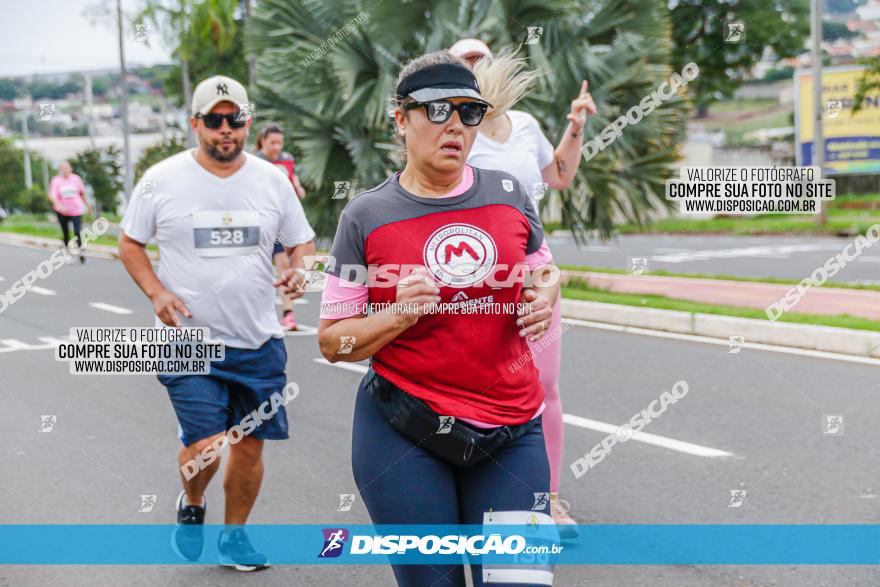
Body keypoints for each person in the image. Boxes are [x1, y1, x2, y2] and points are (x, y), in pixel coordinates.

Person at [318, 51, 560, 586]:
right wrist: (398, 314)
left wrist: (544, 292)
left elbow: (544, 268)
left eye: (469, 112)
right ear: (400, 119)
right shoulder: (366, 216)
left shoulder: (507, 194)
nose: (454, 124)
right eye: (436, 110)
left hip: (512, 432)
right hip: (405, 431)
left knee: (521, 583)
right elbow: (333, 342)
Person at [118, 75, 316, 572]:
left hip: (258, 341)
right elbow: (130, 243)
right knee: (206, 447)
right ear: (196, 124)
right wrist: (156, 292)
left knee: (248, 449)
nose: (225, 129)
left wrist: (300, 270)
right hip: (188, 342)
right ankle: (193, 502)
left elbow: (301, 243)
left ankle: (235, 538)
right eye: (214, 120)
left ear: (247, 123)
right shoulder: (161, 179)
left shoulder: (272, 179)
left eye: (235, 119)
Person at [450, 39, 597, 537]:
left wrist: (576, 127)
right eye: (464, 64)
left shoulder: (527, 126)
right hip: (476, 279)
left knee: (545, 388)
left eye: (481, 61)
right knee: (479, 388)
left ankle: (547, 501)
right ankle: (478, 496)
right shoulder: (456, 131)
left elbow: (558, 175)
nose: (476, 70)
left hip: (535, 272)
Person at [255, 123, 307, 331]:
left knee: (285, 267)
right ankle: (256, 314)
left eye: (280, 142)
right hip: (259, 223)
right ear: (262, 141)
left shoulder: (286, 160)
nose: (276, 147)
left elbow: (294, 181)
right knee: (257, 270)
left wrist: (298, 188)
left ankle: (288, 314)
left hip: (281, 223)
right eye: (272, 142)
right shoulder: (254, 163)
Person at [49, 161, 92, 264]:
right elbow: (52, 196)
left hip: (76, 210)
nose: (65, 170)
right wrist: (60, 206)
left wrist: (88, 206)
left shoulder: (76, 179)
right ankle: (68, 254)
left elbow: (82, 194)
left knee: (77, 231)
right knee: (66, 233)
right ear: (60, 170)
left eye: (66, 168)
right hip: (62, 211)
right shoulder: (56, 180)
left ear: (71, 169)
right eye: (62, 168)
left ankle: (81, 250)